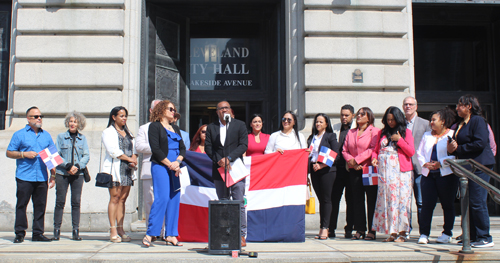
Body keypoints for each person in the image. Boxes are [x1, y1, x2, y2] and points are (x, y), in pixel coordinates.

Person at [447, 94, 495, 248]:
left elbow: (480, 143)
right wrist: (452, 149)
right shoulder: (461, 123)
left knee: (477, 201)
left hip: (480, 166)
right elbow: (456, 145)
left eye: (460, 105)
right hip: (467, 167)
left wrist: (459, 149)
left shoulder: (478, 121)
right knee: (468, 201)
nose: (457, 108)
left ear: (469, 106)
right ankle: (472, 235)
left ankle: (485, 236)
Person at [6, 106, 56, 243]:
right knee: (22, 205)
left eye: (41, 116)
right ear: (28, 119)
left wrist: (53, 175)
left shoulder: (46, 135)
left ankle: (38, 233)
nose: (39, 118)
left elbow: (52, 157)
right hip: (24, 176)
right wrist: (24, 154)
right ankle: (20, 233)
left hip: (41, 176)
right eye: (36, 116)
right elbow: (9, 152)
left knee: (40, 206)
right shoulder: (19, 134)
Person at [142, 100, 186, 247]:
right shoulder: (154, 127)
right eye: (171, 109)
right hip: (161, 166)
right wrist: (171, 164)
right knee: (162, 198)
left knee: (174, 198)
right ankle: (151, 233)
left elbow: (182, 149)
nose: (173, 112)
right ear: (161, 110)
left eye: (174, 109)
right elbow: (156, 149)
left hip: (175, 167)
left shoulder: (176, 128)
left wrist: (178, 162)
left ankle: (171, 234)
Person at [205, 101, 249, 247]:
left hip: (236, 169)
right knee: (223, 203)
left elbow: (243, 144)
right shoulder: (212, 127)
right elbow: (208, 148)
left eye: (227, 108)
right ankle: (225, 233)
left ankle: (241, 235)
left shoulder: (239, 125)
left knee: (238, 202)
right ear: (217, 112)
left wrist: (229, 158)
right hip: (219, 171)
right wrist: (220, 161)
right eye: (221, 108)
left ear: (230, 110)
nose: (224, 110)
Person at [371, 107, 415, 242]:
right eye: (388, 120)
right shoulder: (382, 133)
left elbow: (411, 151)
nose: (390, 122)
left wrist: (399, 140)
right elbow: (376, 149)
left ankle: (403, 232)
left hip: (401, 172)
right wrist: (374, 157)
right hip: (385, 173)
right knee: (389, 201)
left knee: (401, 201)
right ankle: (392, 232)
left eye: (393, 120)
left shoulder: (406, 132)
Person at [416, 108, 457, 244]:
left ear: (443, 122)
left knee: (447, 205)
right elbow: (419, 152)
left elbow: (455, 155)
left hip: (446, 175)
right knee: (427, 205)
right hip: (428, 174)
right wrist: (425, 163)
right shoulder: (427, 135)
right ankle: (424, 234)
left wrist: (441, 163)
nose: (431, 122)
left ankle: (447, 233)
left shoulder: (451, 134)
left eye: (434, 120)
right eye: (431, 119)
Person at [342, 107, 380, 240]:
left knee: (371, 200)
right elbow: (344, 150)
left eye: (362, 114)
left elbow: (372, 149)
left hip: (368, 169)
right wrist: (351, 161)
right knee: (357, 200)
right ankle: (360, 229)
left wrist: (357, 160)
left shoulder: (375, 131)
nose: (359, 116)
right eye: (358, 114)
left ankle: (372, 229)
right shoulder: (351, 132)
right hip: (354, 171)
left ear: (369, 117)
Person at [102, 106, 138, 243]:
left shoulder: (128, 132)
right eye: (121, 116)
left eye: (125, 116)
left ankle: (121, 228)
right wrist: (129, 159)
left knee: (123, 199)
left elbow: (134, 148)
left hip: (128, 169)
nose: (124, 118)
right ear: (114, 117)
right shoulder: (108, 132)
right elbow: (113, 151)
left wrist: (134, 158)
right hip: (115, 168)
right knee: (114, 198)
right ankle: (113, 229)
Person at [53, 111, 90, 241]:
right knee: (60, 202)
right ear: (67, 123)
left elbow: (86, 155)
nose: (72, 123)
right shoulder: (61, 137)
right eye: (71, 121)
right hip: (62, 173)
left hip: (78, 174)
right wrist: (67, 166)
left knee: (76, 202)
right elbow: (56, 155)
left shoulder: (82, 138)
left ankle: (75, 230)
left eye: (75, 121)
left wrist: (77, 166)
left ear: (79, 124)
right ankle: (56, 230)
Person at [307, 113, 339, 240]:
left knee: (326, 199)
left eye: (321, 122)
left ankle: (325, 228)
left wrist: (322, 165)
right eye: (317, 122)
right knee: (321, 199)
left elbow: (335, 153)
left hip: (327, 171)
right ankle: (323, 227)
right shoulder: (312, 137)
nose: (318, 124)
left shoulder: (330, 136)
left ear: (326, 123)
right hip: (314, 171)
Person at [403, 96, 430, 234]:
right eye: (406, 104)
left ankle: (423, 232)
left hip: (419, 168)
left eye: (411, 104)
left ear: (416, 106)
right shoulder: (400, 123)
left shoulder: (425, 123)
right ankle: (406, 229)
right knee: (405, 203)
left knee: (420, 202)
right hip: (404, 168)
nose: (408, 106)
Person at [330, 104, 356, 238]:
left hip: (350, 169)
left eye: (346, 115)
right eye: (342, 115)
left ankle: (349, 228)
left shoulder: (356, 129)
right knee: (334, 199)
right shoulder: (334, 128)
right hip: (336, 169)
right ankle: (331, 228)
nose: (344, 118)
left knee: (350, 200)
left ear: (353, 115)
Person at [135, 99, 161, 228]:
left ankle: (164, 230)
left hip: (166, 168)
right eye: (157, 108)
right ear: (151, 111)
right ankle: (151, 230)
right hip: (149, 168)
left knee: (163, 200)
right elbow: (139, 146)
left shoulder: (169, 128)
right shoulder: (144, 128)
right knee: (150, 200)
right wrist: (157, 147)